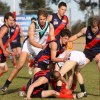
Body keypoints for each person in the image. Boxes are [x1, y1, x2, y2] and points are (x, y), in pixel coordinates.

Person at [1, 8, 55, 92]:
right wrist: (42, 46)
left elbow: (52, 39)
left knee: (45, 67)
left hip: (40, 48)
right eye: (40, 19)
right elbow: (31, 41)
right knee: (20, 64)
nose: (42, 21)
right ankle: (7, 83)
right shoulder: (33, 25)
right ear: (38, 18)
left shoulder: (50, 26)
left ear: (46, 18)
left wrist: (52, 45)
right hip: (29, 45)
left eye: (44, 19)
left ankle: (31, 87)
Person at [68, 16, 100, 98]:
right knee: (77, 70)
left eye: (95, 28)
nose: (94, 29)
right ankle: (79, 90)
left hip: (98, 54)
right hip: (87, 54)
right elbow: (76, 36)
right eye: (92, 27)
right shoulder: (85, 30)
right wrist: (67, 40)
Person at [0, 12, 14, 77]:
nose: (12, 22)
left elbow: (4, 42)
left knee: (5, 69)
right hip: (0, 52)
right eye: (10, 20)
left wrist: (8, 51)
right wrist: (3, 50)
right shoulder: (5, 28)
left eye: (13, 20)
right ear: (6, 20)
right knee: (2, 69)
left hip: (2, 51)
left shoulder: (8, 29)